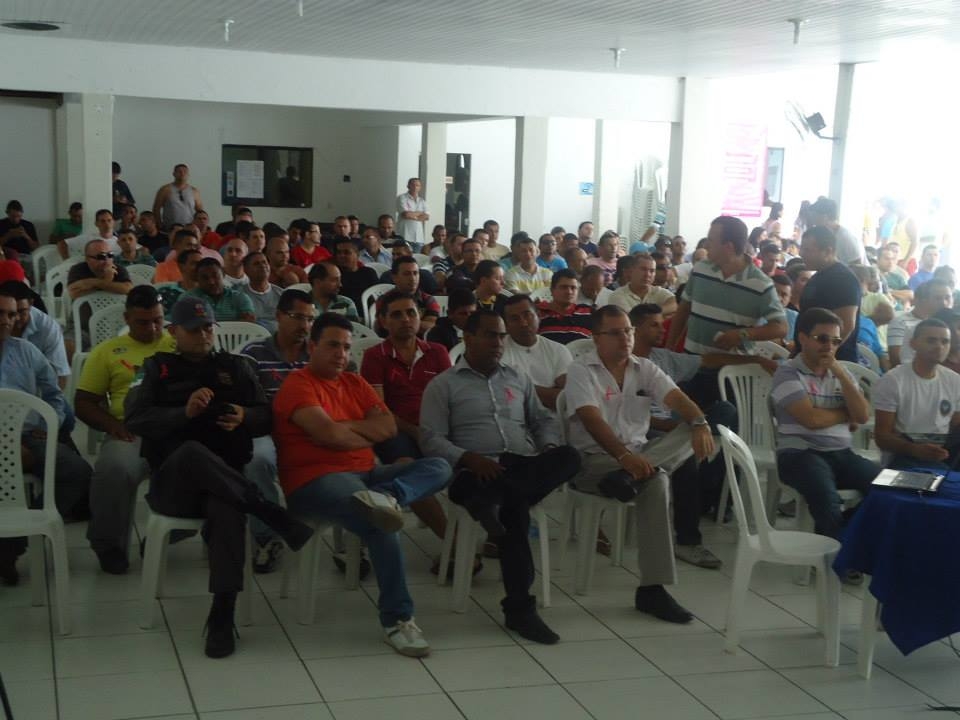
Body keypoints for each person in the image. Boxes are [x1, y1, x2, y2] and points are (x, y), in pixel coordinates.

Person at [125, 296, 314, 657]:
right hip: (174, 486)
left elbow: (267, 417)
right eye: (194, 330)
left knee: (227, 511)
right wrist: (183, 413)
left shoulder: (237, 367)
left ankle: (222, 615)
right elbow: (134, 419)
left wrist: (245, 416)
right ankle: (267, 510)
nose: (203, 335)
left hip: (226, 484)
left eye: (208, 328)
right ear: (174, 332)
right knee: (191, 452)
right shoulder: (156, 368)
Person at [273, 313, 451, 656]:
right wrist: (356, 431)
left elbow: (388, 429)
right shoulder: (298, 384)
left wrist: (343, 430)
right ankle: (398, 619)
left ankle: (390, 497)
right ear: (312, 347)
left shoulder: (355, 383)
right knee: (382, 524)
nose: (341, 354)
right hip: (315, 481)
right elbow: (330, 434)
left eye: (346, 347)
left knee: (439, 467)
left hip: (367, 476)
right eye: (332, 345)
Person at [420, 310, 581, 644]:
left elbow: (541, 421)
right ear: (468, 337)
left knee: (570, 456)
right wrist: (468, 457)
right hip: (472, 473)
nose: (498, 343)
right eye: (490, 335)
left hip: (519, 465)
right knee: (515, 511)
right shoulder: (443, 385)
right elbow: (431, 439)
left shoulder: (517, 378)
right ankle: (520, 610)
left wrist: (548, 446)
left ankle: (495, 502)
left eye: (501, 336)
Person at [564, 305, 710, 622]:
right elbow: (591, 420)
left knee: (698, 430)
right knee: (658, 479)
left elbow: (678, 399)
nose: (625, 338)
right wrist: (624, 458)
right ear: (596, 338)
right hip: (593, 462)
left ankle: (630, 478)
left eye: (628, 331)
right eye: (615, 333)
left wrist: (699, 422)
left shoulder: (644, 368)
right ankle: (652, 591)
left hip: (637, 458)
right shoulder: (581, 370)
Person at [629, 303, 756, 565]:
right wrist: (680, 428)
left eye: (661, 324)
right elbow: (626, 416)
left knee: (726, 412)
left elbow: (709, 360)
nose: (662, 329)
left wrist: (757, 360)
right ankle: (688, 541)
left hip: (675, 426)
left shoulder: (664, 358)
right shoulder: (624, 363)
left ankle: (707, 487)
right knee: (685, 460)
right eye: (654, 325)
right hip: (646, 431)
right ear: (636, 329)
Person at [75, 286, 176, 574]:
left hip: (176, 428)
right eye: (143, 322)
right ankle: (108, 545)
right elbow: (83, 402)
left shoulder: (178, 344)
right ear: (127, 319)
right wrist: (113, 425)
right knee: (113, 469)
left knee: (205, 465)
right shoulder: (107, 352)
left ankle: (168, 533)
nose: (152, 328)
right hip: (131, 430)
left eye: (158, 320)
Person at [0, 285, 93, 585]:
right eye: (0, 313)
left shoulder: (26, 350)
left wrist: (46, 424)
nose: (7, 321)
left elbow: (54, 394)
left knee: (77, 472)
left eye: (11, 315)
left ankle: (11, 544)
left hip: (28, 435)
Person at [772, 308, 878, 544]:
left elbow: (862, 416)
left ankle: (845, 537)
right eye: (822, 338)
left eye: (836, 341)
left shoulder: (842, 373)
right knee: (826, 499)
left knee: (885, 490)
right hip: (799, 454)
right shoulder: (787, 373)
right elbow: (811, 420)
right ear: (803, 338)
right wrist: (845, 414)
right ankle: (836, 555)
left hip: (842, 454)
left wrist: (839, 372)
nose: (829, 346)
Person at [361, 290, 452, 561]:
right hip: (396, 430)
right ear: (383, 321)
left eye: (411, 313)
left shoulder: (437, 352)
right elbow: (380, 410)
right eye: (397, 315)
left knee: (480, 453)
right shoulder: (375, 356)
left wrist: (436, 432)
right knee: (407, 466)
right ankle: (455, 545)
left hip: (436, 428)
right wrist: (417, 432)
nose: (406, 319)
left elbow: (451, 398)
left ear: (420, 316)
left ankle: (493, 535)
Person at [667, 216, 786, 405]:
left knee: (727, 419)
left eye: (711, 240)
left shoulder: (761, 284)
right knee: (687, 418)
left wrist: (742, 334)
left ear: (728, 247)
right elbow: (683, 310)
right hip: (692, 364)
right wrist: (669, 352)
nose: (706, 245)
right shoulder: (700, 269)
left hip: (733, 371)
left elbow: (780, 327)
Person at [238, 289, 316, 573]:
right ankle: (266, 538)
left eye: (310, 319)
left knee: (350, 458)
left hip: (311, 431)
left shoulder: (317, 354)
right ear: (279, 316)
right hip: (267, 431)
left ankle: (351, 546)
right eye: (298, 317)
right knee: (257, 459)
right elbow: (246, 403)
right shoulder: (254, 354)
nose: (305, 325)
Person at [874, 318, 960, 471]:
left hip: (943, 454)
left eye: (945, 342)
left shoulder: (954, 380)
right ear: (913, 344)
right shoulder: (893, 380)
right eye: (931, 340)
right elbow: (882, 437)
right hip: (903, 457)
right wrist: (914, 449)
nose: (939, 347)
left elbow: (956, 424)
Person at [797, 226, 861, 362]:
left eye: (807, 250)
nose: (801, 254)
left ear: (828, 251)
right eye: (801, 248)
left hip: (828, 362)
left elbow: (847, 324)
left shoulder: (843, 279)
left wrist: (825, 356)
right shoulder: (817, 276)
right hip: (808, 358)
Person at [500, 294, 572, 411]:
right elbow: (502, 395)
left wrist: (521, 388)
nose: (523, 323)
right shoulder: (498, 350)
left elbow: (567, 398)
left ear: (538, 316)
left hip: (553, 419)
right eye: (515, 319)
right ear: (506, 325)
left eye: (527, 315)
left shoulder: (558, 350)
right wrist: (550, 392)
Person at [6, 280, 70, 388]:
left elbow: (59, 375)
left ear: (31, 304)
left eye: (22, 311)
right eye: (11, 313)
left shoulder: (48, 328)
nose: (17, 318)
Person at [887, 280, 952, 367]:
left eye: (947, 298)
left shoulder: (950, 324)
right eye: (938, 298)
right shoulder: (901, 322)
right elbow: (896, 359)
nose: (944, 303)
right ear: (923, 300)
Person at [374, 255, 440, 337]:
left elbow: (432, 327)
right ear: (394, 278)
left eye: (415, 273)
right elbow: (383, 326)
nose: (412, 278)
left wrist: (398, 323)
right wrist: (417, 323)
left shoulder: (428, 299)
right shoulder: (383, 300)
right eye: (407, 274)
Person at [185, 258, 256, 322]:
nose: (211, 282)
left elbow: (249, 324)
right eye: (205, 278)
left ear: (223, 274)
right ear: (197, 279)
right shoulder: (188, 299)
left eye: (215, 276)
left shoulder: (239, 298)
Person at [535, 269, 594, 345]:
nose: (569, 292)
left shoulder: (588, 312)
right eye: (564, 287)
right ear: (552, 290)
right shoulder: (537, 313)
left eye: (573, 288)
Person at [609, 253, 677, 317]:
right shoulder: (618, 295)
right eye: (643, 269)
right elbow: (634, 318)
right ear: (631, 271)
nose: (648, 274)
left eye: (652, 271)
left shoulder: (657, 291)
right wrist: (661, 316)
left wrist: (657, 313)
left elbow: (675, 303)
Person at [807, 196, 866, 265]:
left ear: (824, 217)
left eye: (814, 216)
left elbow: (858, 266)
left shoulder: (845, 237)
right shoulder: (826, 235)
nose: (813, 221)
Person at [238, 251, 284, 332]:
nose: (262, 266)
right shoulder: (238, 294)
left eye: (264, 262)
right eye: (256, 264)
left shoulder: (281, 294)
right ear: (246, 270)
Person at [152, 163, 204, 230]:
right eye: (179, 171)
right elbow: (156, 208)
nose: (182, 173)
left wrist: (200, 226)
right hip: (169, 228)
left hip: (189, 229)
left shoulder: (194, 191)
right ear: (174, 174)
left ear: (188, 174)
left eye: (185, 171)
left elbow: (200, 212)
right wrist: (159, 225)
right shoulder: (165, 190)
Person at [333, 238, 379, 311]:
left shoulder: (368, 273)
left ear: (357, 254)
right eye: (339, 253)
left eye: (346, 252)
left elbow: (377, 296)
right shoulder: (333, 275)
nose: (341, 255)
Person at [156, 249, 201, 318]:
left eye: (201, 264)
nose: (200, 267)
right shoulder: (164, 292)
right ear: (181, 266)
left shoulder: (209, 292)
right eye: (194, 263)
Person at [396, 178, 429, 251]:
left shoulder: (422, 201)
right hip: (404, 236)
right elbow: (405, 214)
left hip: (419, 238)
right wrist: (420, 213)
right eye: (413, 185)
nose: (415, 187)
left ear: (420, 187)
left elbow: (426, 217)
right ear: (408, 186)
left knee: (417, 257)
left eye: (417, 185)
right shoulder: (402, 198)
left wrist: (412, 215)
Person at [877, 244, 913, 310]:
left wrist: (887, 291)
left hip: (901, 311)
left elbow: (910, 295)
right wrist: (900, 295)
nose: (890, 262)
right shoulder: (873, 277)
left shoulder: (898, 278)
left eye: (892, 259)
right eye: (887, 259)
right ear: (878, 260)